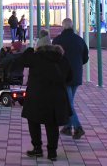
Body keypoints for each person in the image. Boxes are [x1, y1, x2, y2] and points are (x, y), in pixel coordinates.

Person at [13, 30, 72, 161]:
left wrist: (30, 49)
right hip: (56, 97)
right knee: (52, 125)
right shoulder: (61, 58)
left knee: (33, 121)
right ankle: (52, 152)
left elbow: (21, 61)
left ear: (38, 45)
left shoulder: (36, 56)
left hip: (37, 96)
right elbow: (69, 77)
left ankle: (37, 149)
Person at [53, 18, 89, 140]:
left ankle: (78, 127)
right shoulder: (79, 40)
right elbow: (85, 57)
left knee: (68, 103)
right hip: (77, 75)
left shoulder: (57, 40)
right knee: (69, 102)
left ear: (63, 27)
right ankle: (68, 127)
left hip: (64, 76)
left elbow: (54, 58)